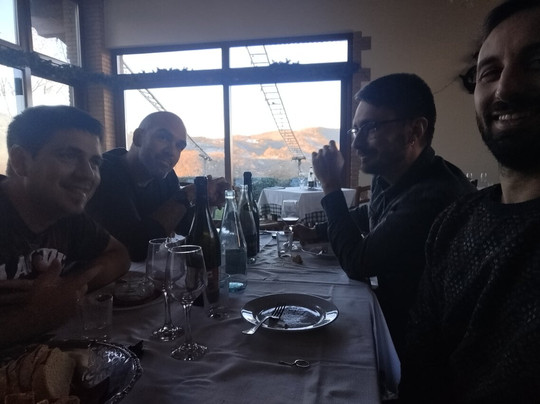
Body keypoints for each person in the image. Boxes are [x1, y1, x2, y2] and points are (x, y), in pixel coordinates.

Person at [399, 1, 540, 402]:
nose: (506, 89)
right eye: (489, 72)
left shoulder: (436, 194)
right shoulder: (455, 222)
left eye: (536, 62)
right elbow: (420, 367)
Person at [300, 74, 476, 358]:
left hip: (422, 350)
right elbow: (372, 212)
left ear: (414, 131)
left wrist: (330, 185)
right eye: (356, 130)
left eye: (370, 127)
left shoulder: (433, 196)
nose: (356, 145)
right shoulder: (394, 175)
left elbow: (357, 262)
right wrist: (317, 231)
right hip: (391, 317)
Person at [0, 105, 130, 347]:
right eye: (68, 155)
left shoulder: (66, 214)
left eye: (94, 162)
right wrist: (35, 315)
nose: (88, 175)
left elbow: (119, 255)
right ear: (20, 161)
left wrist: (68, 288)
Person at [86, 111, 228, 262]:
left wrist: (205, 201)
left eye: (179, 146)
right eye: (163, 138)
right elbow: (136, 247)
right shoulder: (103, 174)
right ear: (138, 138)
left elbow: (184, 227)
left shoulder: (166, 177)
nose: (171, 152)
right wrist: (187, 194)